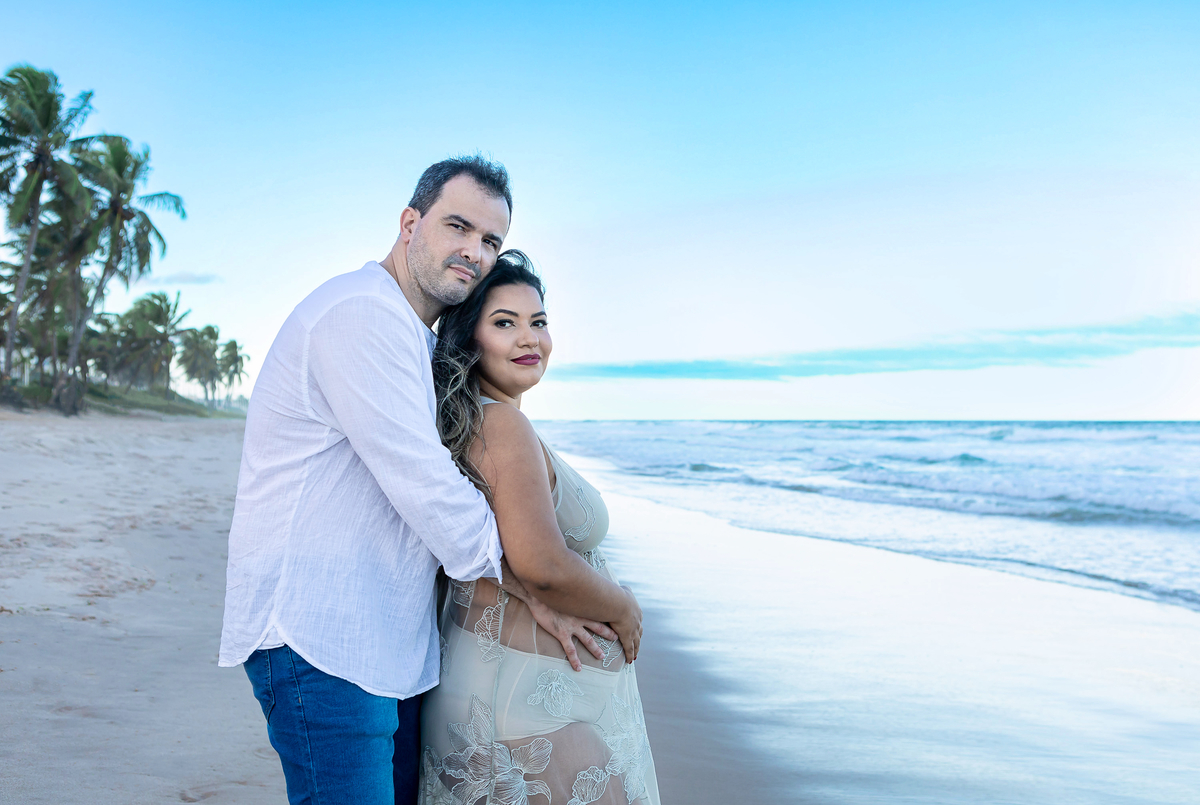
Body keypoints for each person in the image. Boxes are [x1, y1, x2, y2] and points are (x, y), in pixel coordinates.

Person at [217, 157, 643, 805]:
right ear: (409, 222)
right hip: (322, 637)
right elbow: (430, 491)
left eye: (491, 240)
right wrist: (539, 580)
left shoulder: (411, 338)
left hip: (388, 644)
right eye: (459, 226)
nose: (474, 251)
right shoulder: (360, 314)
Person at [420, 252, 660, 805]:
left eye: (539, 321)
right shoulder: (502, 424)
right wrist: (622, 607)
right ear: (469, 336)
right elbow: (542, 565)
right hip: (519, 710)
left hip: (506, 697)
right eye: (504, 323)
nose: (530, 338)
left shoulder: (478, 420)